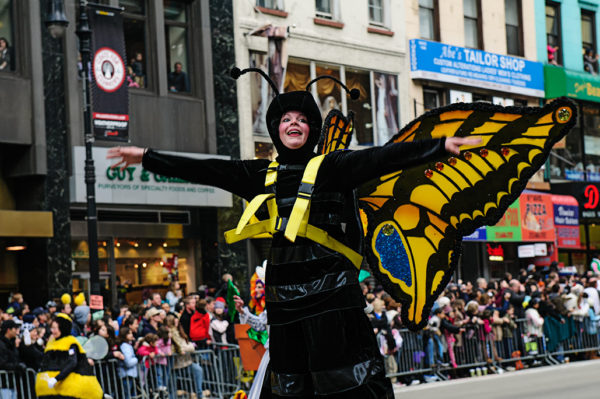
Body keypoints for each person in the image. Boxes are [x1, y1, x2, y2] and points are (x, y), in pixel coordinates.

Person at [107, 71, 478, 397]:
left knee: (348, 384)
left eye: (302, 118)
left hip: (333, 300)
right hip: (284, 305)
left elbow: (380, 157)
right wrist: (147, 157)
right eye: (286, 119)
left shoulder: (332, 167)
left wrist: (438, 147)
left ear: (312, 129)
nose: (294, 124)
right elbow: (208, 170)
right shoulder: (259, 175)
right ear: (276, 128)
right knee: (291, 386)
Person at [35, 313, 104, 398]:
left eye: (55, 328)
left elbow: (72, 362)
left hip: (73, 388)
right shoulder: (52, 342)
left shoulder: (71, 342)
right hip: (56, 389)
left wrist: (57, 378)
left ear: (62, 328)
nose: (52, 331)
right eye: (51, 328)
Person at [0, 320, 26, 399]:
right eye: (14, 328)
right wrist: (17, 366)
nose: (16, 331)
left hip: (13, 382)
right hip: (3, 383)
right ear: (8, 330)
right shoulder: (1, 345)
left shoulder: (12, 343)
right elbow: (2, 363)